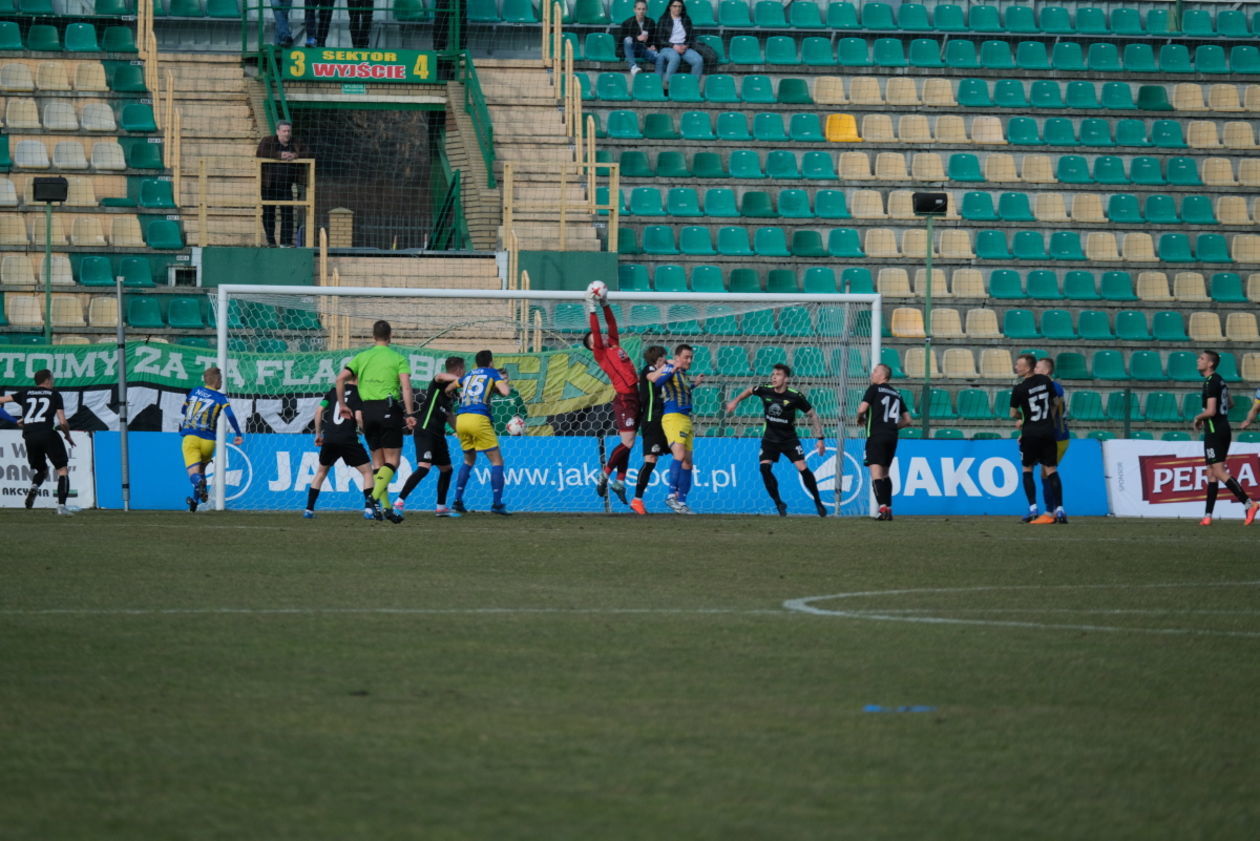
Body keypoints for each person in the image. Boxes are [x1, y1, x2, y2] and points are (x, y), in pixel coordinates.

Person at [337, 320, 416, 523]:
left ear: (373, 337)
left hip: (367, 411)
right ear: (390, 336)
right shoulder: (398, 358)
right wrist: (409, 413)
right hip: (388, 409)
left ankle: (387, 508)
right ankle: (372, 499)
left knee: (378, 463)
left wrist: (342, 404)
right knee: (393, 461)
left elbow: (339, 379)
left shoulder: (362, 357)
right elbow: (406, 387)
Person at [725, 363, 828, 517]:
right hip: (770, 439)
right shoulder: (765, 390)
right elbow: (749, 390)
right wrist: (735, 401)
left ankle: (818, 502)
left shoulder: (795, 396)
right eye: (773, 374)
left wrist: (820, 438)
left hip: (789, 439)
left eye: (778, 374)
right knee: (764, 469)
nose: (774, 377)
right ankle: (779, 503)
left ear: (786, 379)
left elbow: (813, 414)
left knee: (803, 468)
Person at [583, 285, 639, 506]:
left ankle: (620, 482)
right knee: (627, 442)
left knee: (630, 443)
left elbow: (612, 325)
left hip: (636, 395)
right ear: (592, 346)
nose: (602, 337)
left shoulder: (614, 344)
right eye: (594, 340)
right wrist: (592, 308)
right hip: (624, 398)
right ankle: (605, 475)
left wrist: (605, 304)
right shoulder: (601, 353)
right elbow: (597, 332)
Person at [1193, 349, 1260, 526]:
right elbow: (1230, 403)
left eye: (1201, 359)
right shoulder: (1220, 380)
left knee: (1219, 471)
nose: (1198, 361)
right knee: (1211, 473)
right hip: (1222, 428)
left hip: (1214, 431)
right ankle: (1207, 516)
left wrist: (1198, 418)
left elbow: (1211, 411)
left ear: (1210, 364)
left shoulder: (1210, 382)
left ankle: (1249, 503)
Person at [0, 369, 78, 515]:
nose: (53, 381)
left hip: (29, 435)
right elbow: (62, 422)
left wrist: (22, 420)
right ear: (47, 380)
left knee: (41, 470)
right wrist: (67, 435)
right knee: (62, 470)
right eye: (52, 379)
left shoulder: (25, 392)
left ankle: (34, 486)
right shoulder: (55, 394)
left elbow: (1, 400)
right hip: (47, 433)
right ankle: (61, 507)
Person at [395, 356, 465, 518]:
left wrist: (460, 432)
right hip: (425, 429)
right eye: (464, 370)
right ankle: (399, 502)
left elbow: (449, 415)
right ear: (459, 370)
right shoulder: (440, 382)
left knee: (446, 469)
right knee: (424, 467)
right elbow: (439, 375)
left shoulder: (452, 392)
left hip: (438, 433)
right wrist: (462, 379)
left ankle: (441, 508)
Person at [305, 372, 376, 520]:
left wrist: (318, 434)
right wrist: (366, 432)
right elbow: (358, 417)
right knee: (368, 472)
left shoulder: (333, 391)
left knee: (321, 473)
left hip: (329, 438)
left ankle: (309, 510)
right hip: (348, 439)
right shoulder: (359, 393)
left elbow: (318, 412)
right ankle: (369, 510)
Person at [452, 349, 513, 515]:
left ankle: (457, 500)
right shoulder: (492, 373)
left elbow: (451, 387)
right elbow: (505, 391)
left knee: (468, 460)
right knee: (497, 462)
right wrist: (499, 384)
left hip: (461, 419)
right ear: (491, 362)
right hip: (478, 418)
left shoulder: (469, 375)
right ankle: (497, 504)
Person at [177, 367, 244, 514]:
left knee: (194, 475)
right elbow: (230, 415)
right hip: (208, 441)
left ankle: (200, 485)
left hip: (191, 438)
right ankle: (194, 503)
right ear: (218, 380)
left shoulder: (194, 391)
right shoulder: (221, 397)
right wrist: (238, 433)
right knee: (201, 471)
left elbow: (183, 410)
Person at [1010, 353, 1064, 525]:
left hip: (1030, 434)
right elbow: (1055, 402)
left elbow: (1013, 413)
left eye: (1019, 365)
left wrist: (1024, 417)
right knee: (1051, 470)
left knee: (1027, 469)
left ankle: (1033, 509)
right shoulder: (1046, 381)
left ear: (1027, 367)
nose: (1016, 367)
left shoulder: (1019, 388)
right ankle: (1060, 510)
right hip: (1048, 432)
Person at [648, 343, 703, 513]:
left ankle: (682, 502)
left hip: (686, 418)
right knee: (679, 454)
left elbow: (683, 392)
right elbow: (658, 383)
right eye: (686, 357)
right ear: (677, 357)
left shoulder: (683, 375)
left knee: (688, 462)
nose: (689, 360)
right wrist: (672, 367)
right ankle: (671, 495)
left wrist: (695, 384)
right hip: (673, 417)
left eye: (691, 357)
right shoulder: (670, 369)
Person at [856, 363, 911, 521]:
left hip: (876, 436)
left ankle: (883, 509)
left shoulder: (873, 389)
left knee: (876, 473)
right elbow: (908, 420)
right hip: (892, 437)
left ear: (883, 376)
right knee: (886, 473)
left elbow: (862, 409)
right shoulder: (896, 393)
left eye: (875, 371)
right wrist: (892, 427)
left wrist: (860, 418)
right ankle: (889, 509)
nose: (872, 374)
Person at [255, 120, 307, 248]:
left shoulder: (296, 142)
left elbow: (309, 153)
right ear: (278, 131)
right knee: (268, 213)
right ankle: (271, 241)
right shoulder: (267, 141)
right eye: (284, 131)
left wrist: (295, 155)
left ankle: (286, 242)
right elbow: (260, 153)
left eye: (288, 131)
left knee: (288, 214)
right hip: (269, 185)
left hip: (287, 185)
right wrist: (280, 155)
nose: (287, 134)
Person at [630, 345, 668, 515]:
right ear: (657, 359)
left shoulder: (660, 374)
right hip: (651, 420)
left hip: (663, 421)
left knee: (680, 454)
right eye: (663, 359)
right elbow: (652, 378)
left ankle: (677, 498)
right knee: (650, 459)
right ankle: (637, 500)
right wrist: (669, 365)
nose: (665, 362)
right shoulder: (649, 369)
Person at [1035, 356, 1070, 523]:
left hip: (1054, 436)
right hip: (1059, 436)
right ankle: (1056, 510)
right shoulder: (1053, 387)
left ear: (1045, 371)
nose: (1034, 370)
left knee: (1048, 472)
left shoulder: (1051, 387)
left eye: (1037, 368)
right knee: (1047, 471)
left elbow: (1051, 412)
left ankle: (1051, 512)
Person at [654, 0, 702, 90]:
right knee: (675, 58)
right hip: (667, 47)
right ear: (670, 7)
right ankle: (667, 84)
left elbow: (691, 37)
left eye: (680, 6)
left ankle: (692, 87)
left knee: (698, 60)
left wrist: (686, 45)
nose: (677, 8)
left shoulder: (686, 19)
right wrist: (673, 46)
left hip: (683, 47)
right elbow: (659, 39)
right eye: (675, 6)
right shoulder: (663, 19)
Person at [619, 0, 658, 77]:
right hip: (632, 50)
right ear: (634, 10)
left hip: (645, 50)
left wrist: (654, 45)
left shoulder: (650, 22)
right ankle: (633, 66)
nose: (641, 11)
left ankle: (660, 79)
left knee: (660, 57)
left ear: (646, 10)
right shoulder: (627, 23)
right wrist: (637, 38)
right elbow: (621, 43)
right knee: (628, 39)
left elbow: (654, 38)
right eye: (639, 9)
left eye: (643, 9)